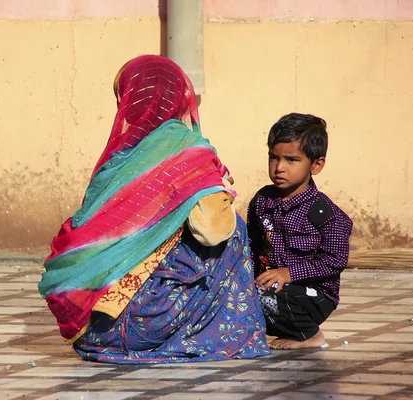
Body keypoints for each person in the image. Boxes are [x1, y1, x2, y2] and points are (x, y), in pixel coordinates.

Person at [39, 55, 270, 364]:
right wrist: (217, 189)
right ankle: (220, 335)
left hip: (98, 328)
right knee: (234, 228)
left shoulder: (118, 159)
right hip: (151, 322)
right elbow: (212, 231)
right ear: (178, 98)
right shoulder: (187, 150)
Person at [247, 113, 353, 350]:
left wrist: (289, 274)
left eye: (292, 160)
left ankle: (310, 335)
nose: (279, 168)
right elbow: (252, 244)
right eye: (274, 158)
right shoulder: (262, 202)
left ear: (316, 165)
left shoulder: (325, 213)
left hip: (312, 296)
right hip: (270, 287)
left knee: (269, 294)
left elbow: (334, 261)